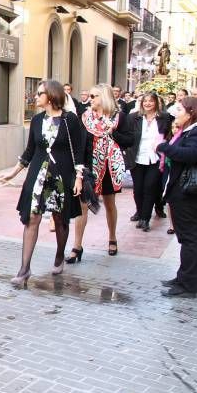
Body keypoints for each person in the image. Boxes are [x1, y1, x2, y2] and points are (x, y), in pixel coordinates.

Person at [1, 79, 85, 285]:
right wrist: (13, 173)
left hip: (61, 175)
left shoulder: (70, 120)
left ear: (52, 96)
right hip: (38, 175)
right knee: (32, 218)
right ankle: (24, 269)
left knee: (59, 218)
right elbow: (30, 151)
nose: (36, 97)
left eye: (39, 93)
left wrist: (79, 178)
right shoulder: (37, 120)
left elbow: (80, 150)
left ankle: (59, 254)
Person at [66, 84, 133, 262]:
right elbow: (79, 143)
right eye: (90, 96)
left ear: (104, 97)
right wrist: (78, 167)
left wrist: (112, 133)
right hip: (88, 166)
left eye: (94, 96)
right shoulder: (85, 117)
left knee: (110, 203)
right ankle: (77, 246)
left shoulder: (120, 118)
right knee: (83, 204)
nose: (90, 99)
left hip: (110, 165)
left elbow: (129, 140)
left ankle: (112, 238)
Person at [156, 97, 197, 298]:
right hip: (182, 191)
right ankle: (183, 277)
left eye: (179, 110)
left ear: (191, 113)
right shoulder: (189, 130)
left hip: (189, 192)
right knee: (185, 237)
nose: (175, 113)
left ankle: (189, 285)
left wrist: (164, 147)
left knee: (189, 238)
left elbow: (191, 155)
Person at [124, 92, 172, 231]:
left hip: (155, 159)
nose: (148, 103)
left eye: (151, 101)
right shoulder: (134, 117)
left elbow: (170, 134)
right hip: (137, 158)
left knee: (149, 188)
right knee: (138, 190)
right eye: (145, 101)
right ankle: (140, 212)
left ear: (156, 102)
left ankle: (145, 219)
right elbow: (128, 136)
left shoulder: (164, 117)